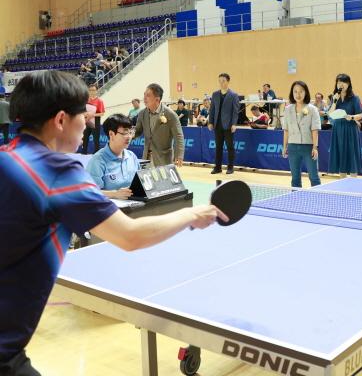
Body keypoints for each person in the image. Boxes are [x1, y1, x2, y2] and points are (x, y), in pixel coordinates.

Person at [0, 71, 226, 376]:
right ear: (61, 120)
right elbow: (130, 235)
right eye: (85, 114)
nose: (89, 122)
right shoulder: (58, 170)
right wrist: (192, 214)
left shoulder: (6, 157)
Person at [86, 114, 140, 199]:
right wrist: (115, 194)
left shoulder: (132, 156)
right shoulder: (98, 160)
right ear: (111, 134)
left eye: (130, 132)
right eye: (125, 132)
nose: (129, 136)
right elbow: (90, 192)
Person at [134, 83, 185, 167]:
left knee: (164, 180)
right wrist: (128, 134)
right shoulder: (142, 113)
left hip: (164, 158)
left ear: (157, 99)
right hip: (146, 157)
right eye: (144, 95)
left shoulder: (170, 114)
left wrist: (179, 155)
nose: (144, 98)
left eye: (148, 95)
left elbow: (178, 136)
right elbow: (138, 130)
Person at [282, 81, 321, 188]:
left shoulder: (312, 109)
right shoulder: (287, 109)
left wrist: (315, 147)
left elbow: (315, 130)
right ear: (292, 93)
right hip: (292, 147)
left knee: (314, 177)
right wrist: (284, 147)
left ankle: (319, 200)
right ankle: (295, 200)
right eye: (295, 92)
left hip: (308, 147)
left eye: (301, 92)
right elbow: (286, 130)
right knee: (295, 179)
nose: (298, 95)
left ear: (306, 93)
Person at [328, 73, 362, 176]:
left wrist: (351, 117)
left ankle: (353, 182)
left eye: (343, 82)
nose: (341, 85)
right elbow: (330, 114)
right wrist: (334, 101)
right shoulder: (335, 98)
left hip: (350, 128)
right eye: (338, 82)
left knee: (351, 155)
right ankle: (342, 181)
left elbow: (360, 115)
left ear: (348, 84)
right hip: (338, 129)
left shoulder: (355, 98)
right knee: (340, 154)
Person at [208, 73, 239, 174]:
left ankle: (230, 167)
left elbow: (235, 111)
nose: (221, 83)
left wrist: (234, 124)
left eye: (223, 81)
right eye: (220, 81)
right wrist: (210, 122)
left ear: (228, 81)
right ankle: (218, 167)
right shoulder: (215, 94)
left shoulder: (233, 95)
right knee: (218, 147)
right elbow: (212, 109)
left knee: (230, 147)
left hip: (228, 126)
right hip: (217, 125)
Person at [81, 84, 104, 154]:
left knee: (96, 139)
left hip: (95, 122)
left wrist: (92, 115)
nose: (92, 92)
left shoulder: (99, 101)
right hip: (86, 121)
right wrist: (84, 114)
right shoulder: (85, 100)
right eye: (90, 90)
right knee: (85, 138)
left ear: (96, 91)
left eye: (93, 90)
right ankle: (84, 152)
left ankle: (96, 153)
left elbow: (102, 113)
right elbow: (82, 110)